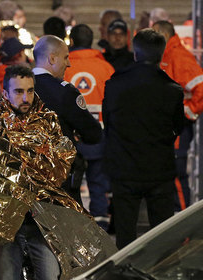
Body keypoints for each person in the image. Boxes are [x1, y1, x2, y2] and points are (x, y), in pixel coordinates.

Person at [0, 64, 68, 280]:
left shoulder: (47, 120)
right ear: (5, 93)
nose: (25, 98)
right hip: (5, 221)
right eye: (19, 92)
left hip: (40, 220)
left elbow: (62, 164)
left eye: (30, 91)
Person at [103, 28, 184, 249]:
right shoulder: (172, 89)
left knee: (125, 236)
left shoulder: (115, 85)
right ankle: (159, 273)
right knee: (162, 236)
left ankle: (124, 276)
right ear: (161, 53)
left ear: (135, 51)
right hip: (160, 169)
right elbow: (179, 126)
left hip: (124, 168)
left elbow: (108, 124)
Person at [32, 35, 102, 204]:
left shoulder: (17, 89)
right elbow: (93, 133)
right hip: (60, 180)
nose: (69, 63)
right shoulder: (64, 92)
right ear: (52, 58)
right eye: (65, 57)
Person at [64, 24, 114, 230]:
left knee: (70, 186)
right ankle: (101, 224)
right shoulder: (105, 68)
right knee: (98, 184)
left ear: (72, 42)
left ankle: (72, 227)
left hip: (71, 137)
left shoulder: (64, 67)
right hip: (99, 135)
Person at [152, 21, 203, 211]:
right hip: (170, 125)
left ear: (163, 34)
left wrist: (185, 115)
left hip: (176, 127)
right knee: (171, 173)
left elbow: (201, 90)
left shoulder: (179, 57)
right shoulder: (168, 55)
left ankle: (183, 224)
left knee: (176, 173)